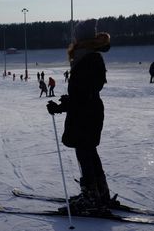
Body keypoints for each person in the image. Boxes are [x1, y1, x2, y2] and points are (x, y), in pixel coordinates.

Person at [46, 19, 111, 213]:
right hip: (88, 111)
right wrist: (64, 104)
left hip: (87, 114)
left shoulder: (89, 58)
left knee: (85, 152)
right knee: (88, 151)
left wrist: (64, 105)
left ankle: (91, 196)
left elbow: (85, 93)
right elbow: (82, 92)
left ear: (81, 37)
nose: (73, 38)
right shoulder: (87, 56)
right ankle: (100, 193)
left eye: (76, 35)